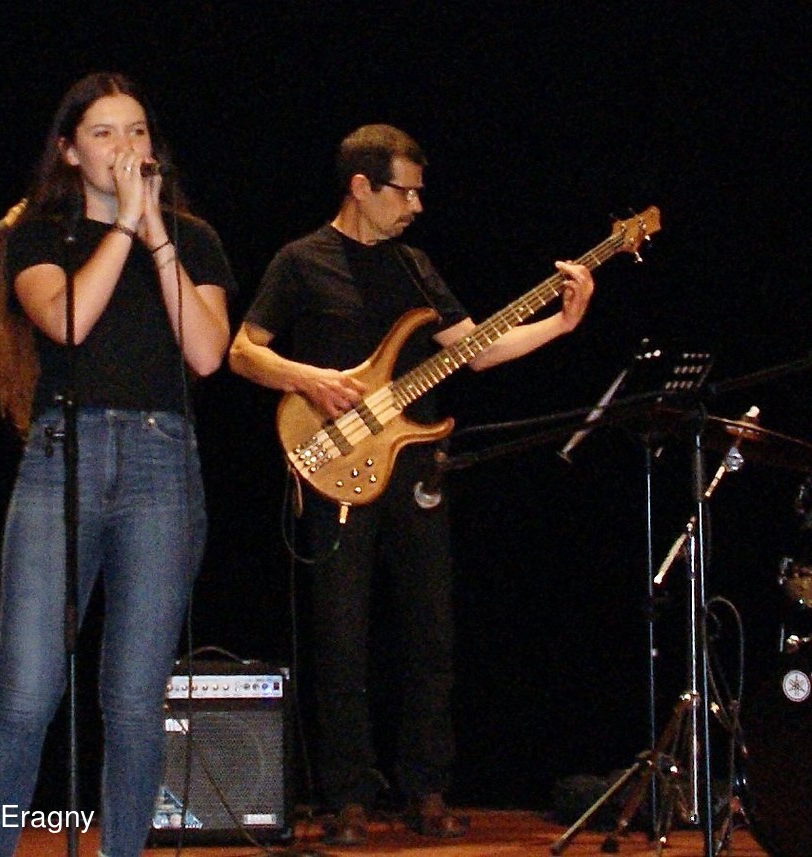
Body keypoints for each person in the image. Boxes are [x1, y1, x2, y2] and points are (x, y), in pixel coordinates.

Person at [228, 124, 594, 842]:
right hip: (334, 466)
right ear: (361, 187)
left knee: (431, 633)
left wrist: (561, 323)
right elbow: (243, 351)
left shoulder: (416, 268)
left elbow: (476, 350)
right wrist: (309, 379)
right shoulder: (301, 261)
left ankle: (426, 786)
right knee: (341, 635)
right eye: (406, 191)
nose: (417, 206)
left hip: (417, 468)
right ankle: (347, 796)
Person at [0, 72, 234, 857]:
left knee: (134, 700)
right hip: (65, 454)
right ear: (69, 150)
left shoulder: (191, 237)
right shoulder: (39, 236)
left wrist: (154, 233)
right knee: (25, 694)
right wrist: (121, 226)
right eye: (105, 133)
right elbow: (68, 320)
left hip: (162, 460)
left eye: (137, 131)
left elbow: (208, 354)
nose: (126, 147)